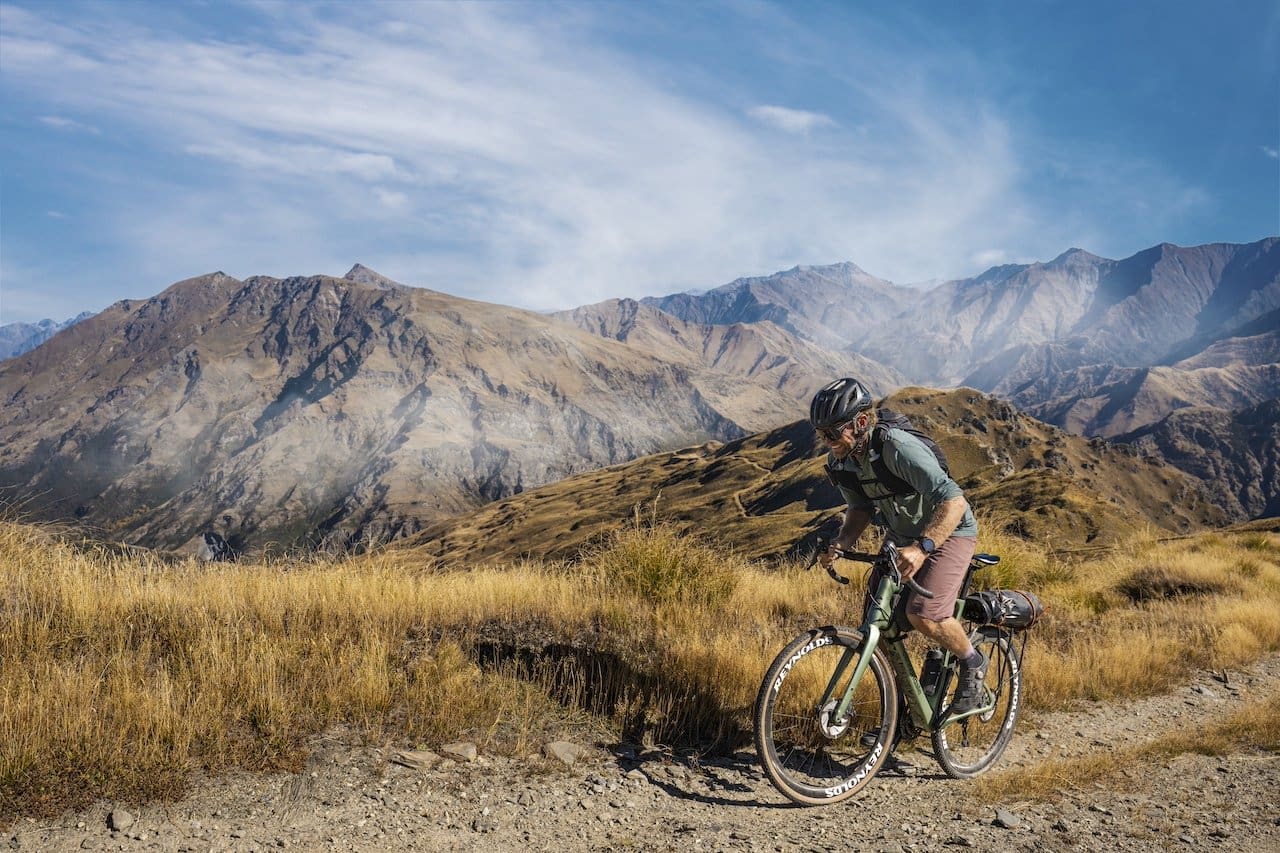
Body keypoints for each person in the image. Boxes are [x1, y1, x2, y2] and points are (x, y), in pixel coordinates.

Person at [810, 377, 987, 714]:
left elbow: (955, 502)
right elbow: (860, 508)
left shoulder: (896, 447)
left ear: (861, 423)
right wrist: (842, 542)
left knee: (924, 614)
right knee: (879, 623)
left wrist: (923, 548)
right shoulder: (841, 461)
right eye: (821, 434)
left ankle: (972, 661)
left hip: (949, 532)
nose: (826, 441)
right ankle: (902, 712)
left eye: (832, 433)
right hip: (901, 539)